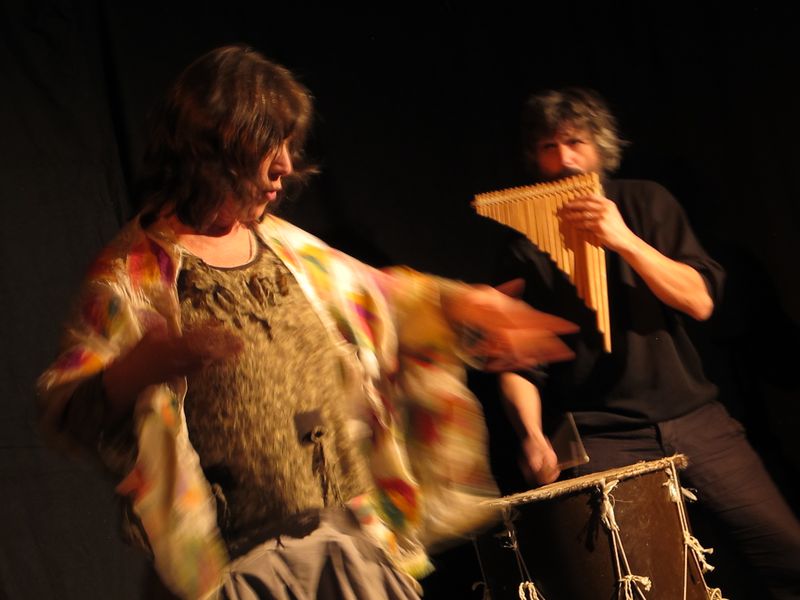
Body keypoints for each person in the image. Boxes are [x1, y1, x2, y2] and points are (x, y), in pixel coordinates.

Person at [36, 45, 578, 600]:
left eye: (288, 146)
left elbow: (388, 299)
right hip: (239, 570)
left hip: (349, 549)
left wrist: (463, 308)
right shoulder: (135, 277)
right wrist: (140, 368)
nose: (286, 167)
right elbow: (69, 410)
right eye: (268, 145)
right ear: (212, 146)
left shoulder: (290, 250)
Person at [488, 86, 800, 598]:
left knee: (787, 554)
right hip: (601, 436)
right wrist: (531, 435)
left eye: (575, 142)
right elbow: (517, 359)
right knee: (639, 584)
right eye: (549, 146)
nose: (564, 159)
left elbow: (700, 301)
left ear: (600, 147)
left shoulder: (646, 201)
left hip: (695, 416)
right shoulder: (522, 245)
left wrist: (624, 240)